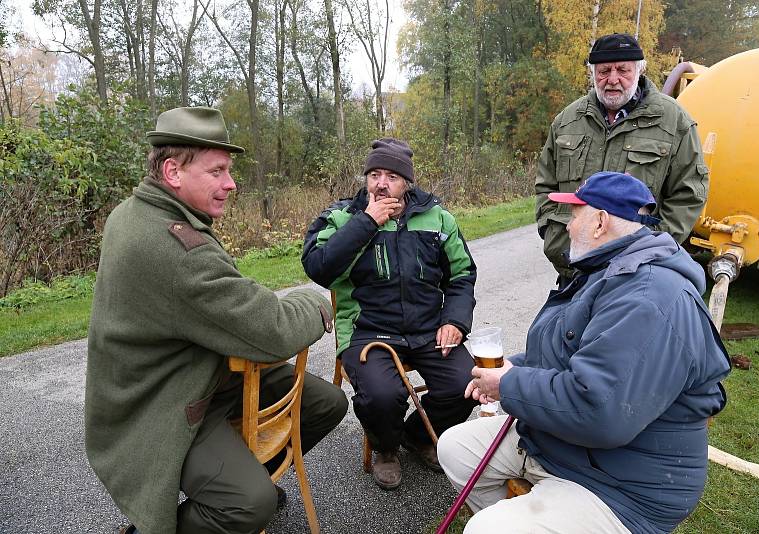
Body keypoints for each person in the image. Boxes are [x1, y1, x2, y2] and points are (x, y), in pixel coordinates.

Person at [85, 106, 348, 534]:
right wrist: (316, 302)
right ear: (173, 171)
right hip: (160, 404)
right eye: (217, 171)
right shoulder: (172, 247)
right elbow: (273, 330)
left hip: (199, 375)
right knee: (250, 506)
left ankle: (242, 480)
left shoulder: (136, 210)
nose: (231, 183)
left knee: (327, 404)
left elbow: (223, 303)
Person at [438, 171, 731, 533]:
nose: (568, 224)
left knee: (487, 530)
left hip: (623, 486)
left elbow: (599, 410)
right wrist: (512, 367)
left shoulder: (648, 299)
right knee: (454, 448)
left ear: (600, 222)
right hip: (563, 446)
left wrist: (510, 385)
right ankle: (531, 514)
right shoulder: (606, 270)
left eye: (574, 214)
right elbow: (566, 352)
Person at [302, 138, 478, 490]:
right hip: (368, 330)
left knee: (466, 384)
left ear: (406, 183)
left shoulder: (437, 218)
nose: (381, 183)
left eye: (392, 176)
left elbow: (461, 274)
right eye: (375, 174)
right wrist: (367, 222)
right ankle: (385, 448)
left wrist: (455, 320)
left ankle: (415, 435)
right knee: (383, 395)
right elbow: (319, 267)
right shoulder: (342, 217)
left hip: (429, 328)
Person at [535, 32, 709, 281]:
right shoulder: (567, 121)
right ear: (593, 73)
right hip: (573, 268)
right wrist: (557, 242)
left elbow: (688, 195)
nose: (612, 79)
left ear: (639, 70)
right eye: (604, 70)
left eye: (623, 70)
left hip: (636, 275)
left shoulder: (675, 122)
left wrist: (646, 250)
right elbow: (546, 186)